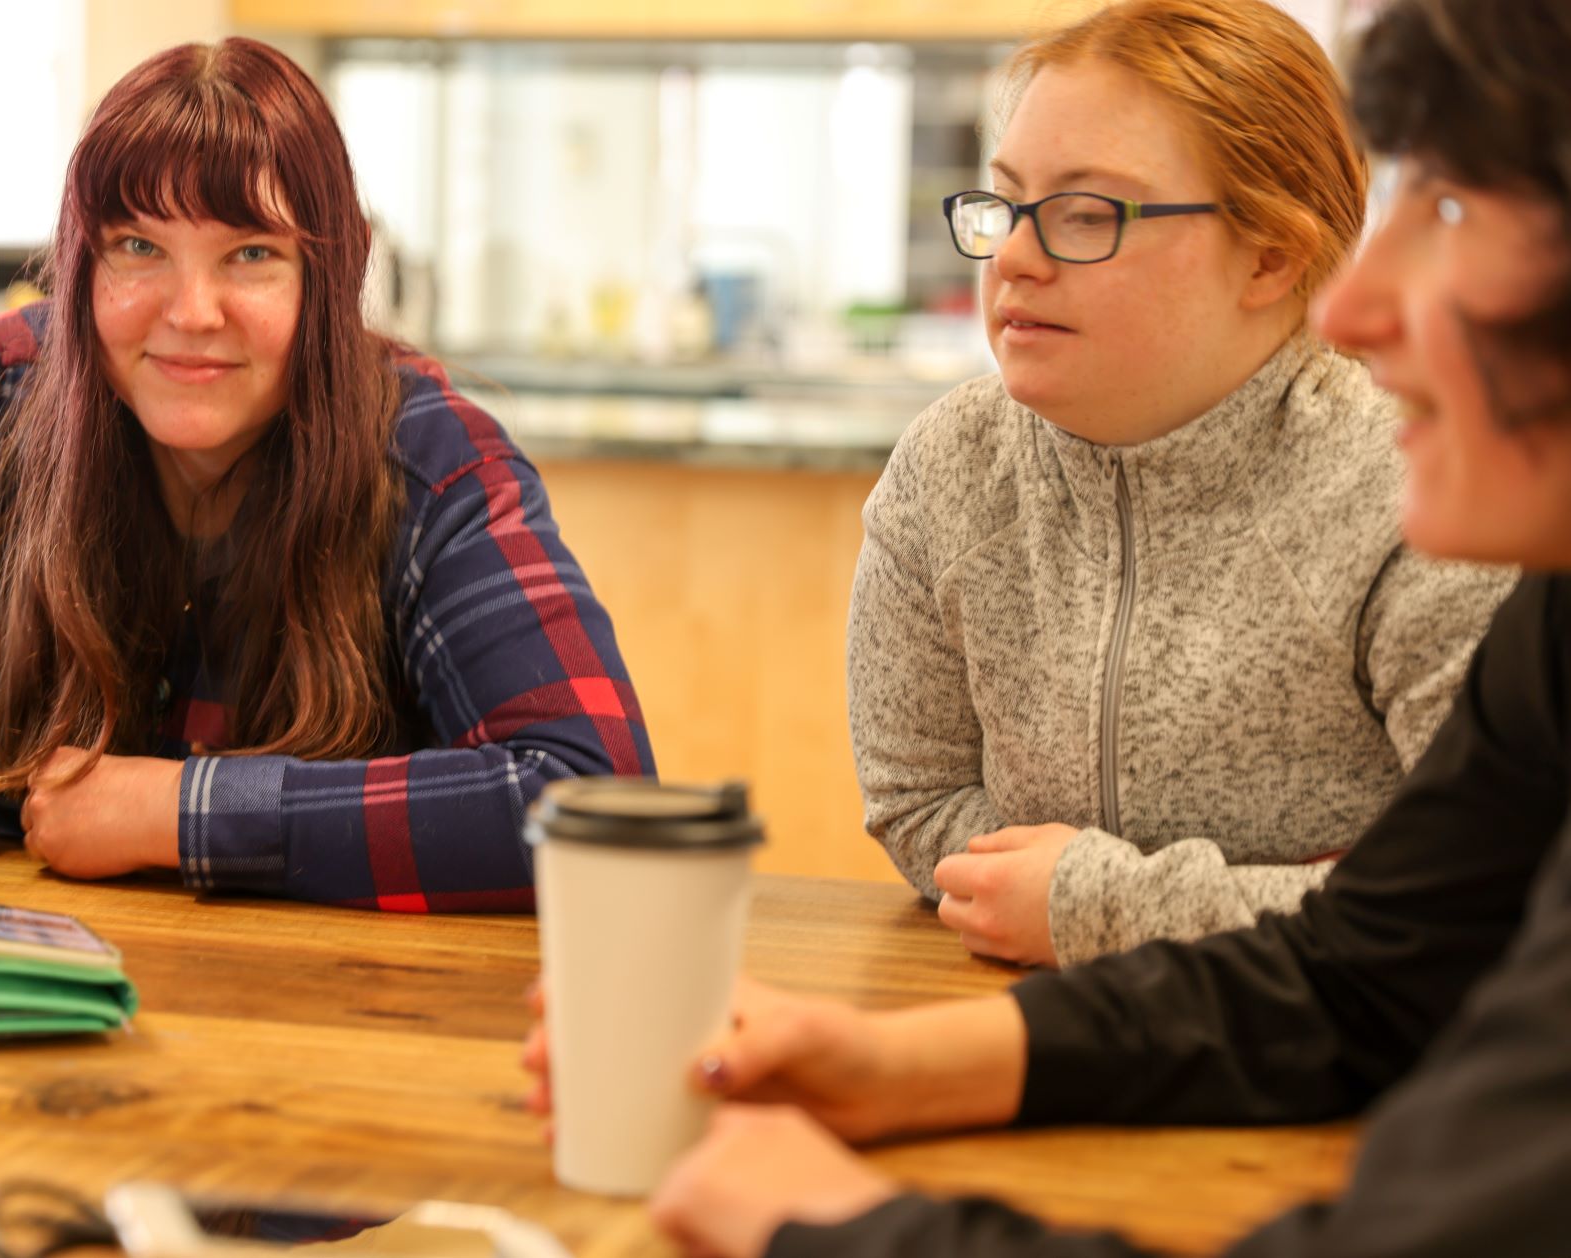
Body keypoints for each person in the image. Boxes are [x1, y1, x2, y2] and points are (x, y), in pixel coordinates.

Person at [523, 0, 1571, 1252]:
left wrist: (851, 1229)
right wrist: (889, 1062)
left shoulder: (1431, 509)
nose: (1354, 310)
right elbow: (1362, 969)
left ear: (1266, 258)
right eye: (1006, 203)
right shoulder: (1548, 624)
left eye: (1449, 208)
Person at [0, 37, 654, 945]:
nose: (192, 315)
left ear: (329, 273)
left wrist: (173, 812)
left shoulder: (433, 459)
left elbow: (585, 795)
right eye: (138, 248)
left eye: (251, 254)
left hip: (345, 1022)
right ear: (78, 264)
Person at [847, 0, 1512, 968]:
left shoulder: (1412, 487)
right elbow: (913, 801)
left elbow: (1475, 887)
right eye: (1005, 204)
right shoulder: (948, 466)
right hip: (1025, 1020)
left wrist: (1096, 904)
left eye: (1084, 214)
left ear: (1270, 254)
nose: (1015, 260)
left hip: (1339, 1055)